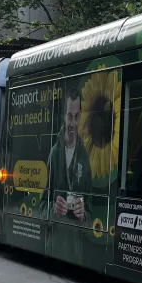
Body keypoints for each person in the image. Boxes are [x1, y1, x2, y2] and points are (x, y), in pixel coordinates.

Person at [46, 88, 91, 225]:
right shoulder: (54, 154)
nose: (72, 123)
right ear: (64, 117)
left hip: (76, 244)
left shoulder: (85, 157)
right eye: (69, 116)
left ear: (81, 116)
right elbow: (41, 207)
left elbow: (92, 216)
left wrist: (83, 216)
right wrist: (54, 210)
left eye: (76, 116)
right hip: (55, 240)